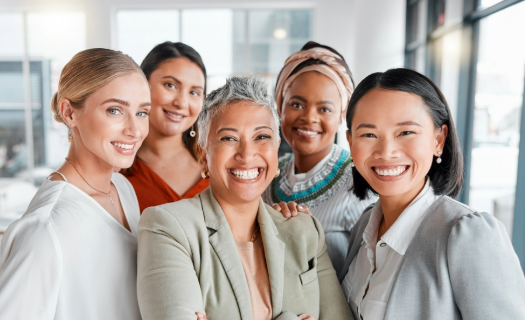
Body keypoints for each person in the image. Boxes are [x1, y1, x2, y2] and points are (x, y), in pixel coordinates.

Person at [137, 75, 353, 320]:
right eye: (228, 138)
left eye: (261, 137)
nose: (247, 153)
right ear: (204, 156)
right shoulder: (168, 227)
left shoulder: (304, 231)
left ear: (276, 150)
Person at [340, 68, 525, 319]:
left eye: (406, 132)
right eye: (368, 134)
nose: (386, 151)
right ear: (351, 142)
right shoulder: (365, 225)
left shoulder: (468, 234)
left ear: (439, 139)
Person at [0, 49, 151, 319]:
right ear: (69, 113)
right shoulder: (45, 229)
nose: (135, 130)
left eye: (142, 112)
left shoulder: (121, 188)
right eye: (115, 110)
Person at [262, 41, 376, 275]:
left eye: (324, 109)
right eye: (297, 104)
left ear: (342, 115)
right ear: (279, 106)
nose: (309, 118)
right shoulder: (268, 174)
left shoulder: (360, 183)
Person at [123, 42, 208, 213]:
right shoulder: (116, 170)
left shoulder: (216, 163)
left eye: (194, 92)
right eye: (170, 85)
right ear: (143, 85)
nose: (182, 102)